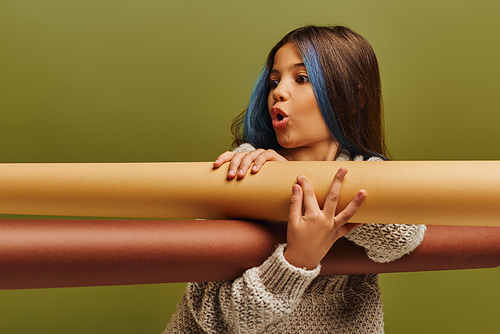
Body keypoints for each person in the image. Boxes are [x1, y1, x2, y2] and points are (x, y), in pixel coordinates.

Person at [164, 25, 426, 333]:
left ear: (354, 98)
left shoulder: (368, 172)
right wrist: (296, 261)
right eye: (274, 80)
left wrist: (297, 181)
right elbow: (216, 318)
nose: (278, 91)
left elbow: (403, 236)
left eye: (301, 78)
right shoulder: (242, 169)